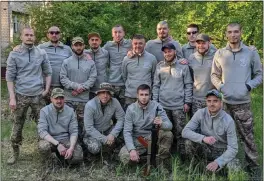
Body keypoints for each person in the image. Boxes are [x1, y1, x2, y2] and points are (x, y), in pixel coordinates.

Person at [211, 22, 262, 174]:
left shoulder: (250, 52)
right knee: (224, 137)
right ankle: (228, 167)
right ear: (226, 34)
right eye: (230, 32)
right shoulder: (220, 53)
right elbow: (214, 75)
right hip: (225, 104)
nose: (233, 35)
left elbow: (260, 74)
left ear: (241, 33)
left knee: (248, 138)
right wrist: (221, 87)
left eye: (236, 32)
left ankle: (253, 169)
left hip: (243, 104)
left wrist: (248, 86)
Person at [6, 27, 52, 164]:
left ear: (35, 37)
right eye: (26, 35)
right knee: (17, 126)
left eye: (31, 35)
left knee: (43, 125)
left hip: (38, 96)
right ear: (21, 37)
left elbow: (48, 72)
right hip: (21, 96)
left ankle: (44, 152)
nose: (29, 37)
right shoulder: (14, 54)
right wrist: (12, 97)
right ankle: (15, 153)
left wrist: (46, 89)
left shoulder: (41, 53)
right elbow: (9, 77)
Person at [182, 89, 238, 173]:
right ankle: (195, 169)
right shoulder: (200, 113)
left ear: (221, 103)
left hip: (222, 151)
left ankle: (216, 169)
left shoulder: (228, 121)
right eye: (209, 101)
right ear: (206, 102)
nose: (211, 104)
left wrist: (218, 162)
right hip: (206, 147)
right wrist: (203, 138)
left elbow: (233, 148)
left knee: (235, 168)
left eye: (215, 101)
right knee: (188, 142)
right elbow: (185, 131)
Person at [152, 43, 193, 159]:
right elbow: (156, 86)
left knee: (180, 133)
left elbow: (188, 85)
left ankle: (182, 157)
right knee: (165, 132)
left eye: (170, 51)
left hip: (179, 105)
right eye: (165, 52)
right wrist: (155, 103)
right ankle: (165, 156)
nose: (167, 54)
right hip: (163, 106)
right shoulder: (159, 66)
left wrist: (187, 102)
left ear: (174, 52)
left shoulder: (183, 65)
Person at [119, 84, 173, 168]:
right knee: (124, 157)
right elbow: (127, 131)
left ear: (150, 95)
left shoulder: (156, 106)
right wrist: (132, 149)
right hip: (138, 140)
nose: (144, 97)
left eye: (146, 95)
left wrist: (161, 123)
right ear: (137, 95)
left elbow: (170, 126)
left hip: (152, 138)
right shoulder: (131, 109)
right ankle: (144, 159)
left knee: (168, 134)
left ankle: (161, 161)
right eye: (141, 94)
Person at [60, 37, 97, 147]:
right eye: (76, 45)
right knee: (68, 123)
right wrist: (76, 86)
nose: (78, 47)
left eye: (80, 45)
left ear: (84, 46)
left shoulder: (90, 62)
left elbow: (92, 78)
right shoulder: (66, 62)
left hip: (84, 100)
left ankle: (84, 148)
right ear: (72, 46)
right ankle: (70, 147)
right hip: (69, 99)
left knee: (84, 125)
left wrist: (82, 88)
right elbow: (63, 78)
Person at [38, 88, 83, 166]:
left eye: (61, 98)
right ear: (51, 99)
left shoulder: (70, 111)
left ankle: (64, 159)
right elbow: (42, 131)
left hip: (66, 139)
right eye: (56, 98)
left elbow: (74, 131)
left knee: (78, 156)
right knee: (43, 147)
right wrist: (58, 144)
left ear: (64, 99)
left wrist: (71, 148)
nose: (59, 101)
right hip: (51, 139)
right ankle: (50, 162)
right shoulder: (44, 111)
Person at [83, 83, 125, 157]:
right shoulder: (90, 105)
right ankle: (89, 154)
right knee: (95, 147)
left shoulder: (115, 102)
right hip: (92, 133)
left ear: (111, 94)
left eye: (108, 93)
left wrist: (113, 134)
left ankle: (113, 152)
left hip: (107, 129)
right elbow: (89, 128)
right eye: (102, 92)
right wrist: (105, 139)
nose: (105, 96)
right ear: (98, 93)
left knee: (125, 130)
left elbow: (121, 118)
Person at [122, 34, 157, 110]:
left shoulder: (152, 58)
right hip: (130, 96)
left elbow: (154, 77)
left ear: (145, 44)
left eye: (140, 43)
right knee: (130, 120)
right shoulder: (126, 59)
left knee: (146, 120)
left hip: (146, 96)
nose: (138, 46)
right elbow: (124, 76)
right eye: (135, 43)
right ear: (132, 44)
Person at [103, 25, 132, 108]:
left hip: (125, 83)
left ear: (124, 33)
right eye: (115, 32)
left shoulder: (130, 43)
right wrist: (86, 54)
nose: (117, 34)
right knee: (110, 108)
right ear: (112, 34)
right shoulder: (108, 45)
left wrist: (133, 52)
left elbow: (140, 48)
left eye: (120, 32)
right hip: (111, 82)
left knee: (123, 108)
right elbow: (98, 52)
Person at [188, 34, 216, 115]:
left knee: (211, 125)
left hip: (212, 99)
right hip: (196, 99)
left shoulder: (216, 56)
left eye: (203, 43)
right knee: (197, 125)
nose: (201, 46)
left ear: (209, 43)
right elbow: (189, 78)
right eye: (198, 43)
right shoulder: (191, 57)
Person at [85, 32, 109, 100]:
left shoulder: (106, 53)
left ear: (100, 41)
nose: (94, 42)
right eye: (92, 40)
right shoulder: (84, 53)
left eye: (96, 40)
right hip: (88, 89)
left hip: (102, 88)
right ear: (89, 42)